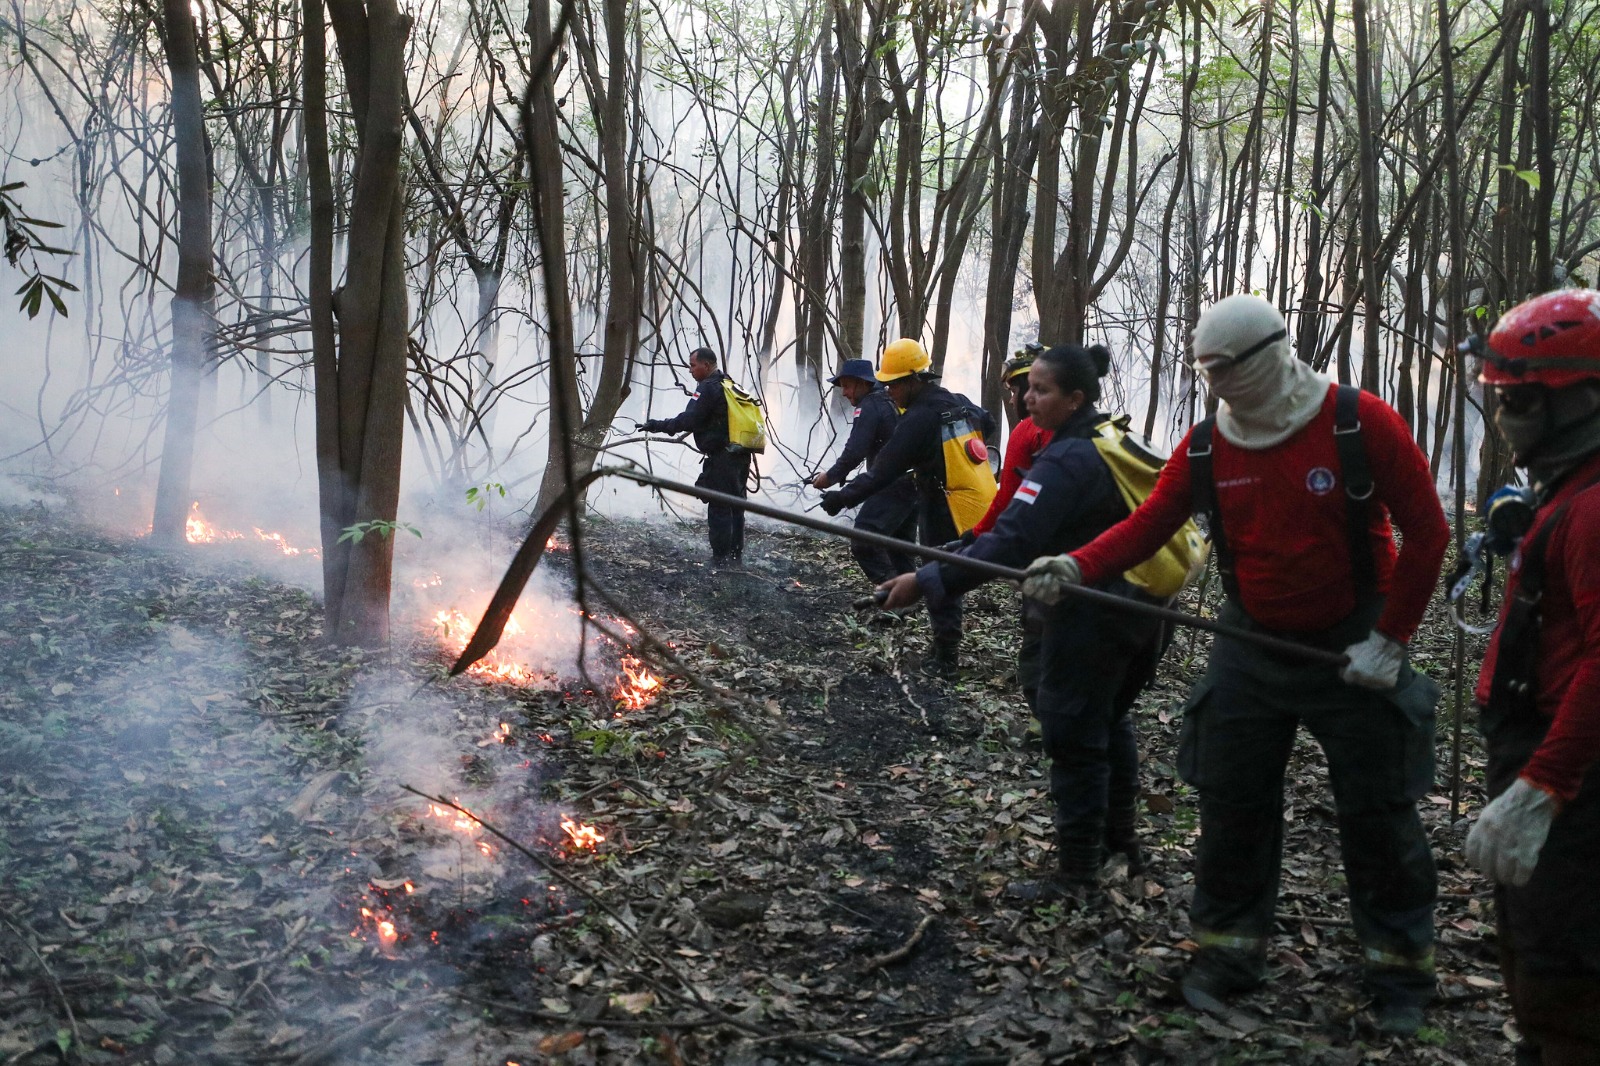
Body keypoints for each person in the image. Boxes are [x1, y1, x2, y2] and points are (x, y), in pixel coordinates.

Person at [1023, 295, 1449, 1034]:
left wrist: (1392, 639)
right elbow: (1149, 525)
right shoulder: (1207, 445)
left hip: (1353, 639)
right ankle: (1227, 952)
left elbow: (1429, 530)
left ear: (1269, 355)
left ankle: (1399, 970)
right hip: (1251, 639)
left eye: (1225, 369)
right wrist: (1076, 565)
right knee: (1231, 799)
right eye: (1205, 371)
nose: (1215, 384)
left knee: (1379, 809)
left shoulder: (1359, 421)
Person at [877, 342, 1166, 899]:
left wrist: (926, 580)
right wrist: (959, 549)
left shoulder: (1066, 459)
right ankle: (1121, 846)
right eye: (1026, 388)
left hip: (1094, 616)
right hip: (1139, 611)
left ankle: (1078, 876)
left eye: (1042, 390)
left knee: (1073, 733)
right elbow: (1014, 528)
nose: (1027, 399)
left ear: (1075, 398)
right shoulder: (1106, 439)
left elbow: (1012, 542)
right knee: (1108, 721)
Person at [1463, 288, 1600, 1064]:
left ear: (1581, 401)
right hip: (1544, 751)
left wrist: (1543, 786)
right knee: (1532, 943)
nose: (1506, 417)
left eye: (1519, 401)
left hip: (1573, 775)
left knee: (1564, 967)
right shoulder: (1570, 485)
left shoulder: (1594, 508)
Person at [821, 338, 996, 677]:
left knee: (939, 574)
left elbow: (883, 471)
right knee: (939, 571)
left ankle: (945, 660)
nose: (889, 392)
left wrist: (841, 497)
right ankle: (942, 647)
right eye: (886, 385)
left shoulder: (918, 418)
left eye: (895, 384)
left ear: (914, 380)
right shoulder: (959, 402)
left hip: (942, 505)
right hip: (969, 500)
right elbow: (987, 423)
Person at [972, 344, 1053, 709]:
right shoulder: (1096, 430)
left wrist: (973, 538)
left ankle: (1040, 722)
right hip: (1108, 567)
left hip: (1051, 560)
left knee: (1040, 636)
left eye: (1014, 390)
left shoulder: (1027, 430)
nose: (1014, 398)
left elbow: (1007, 501)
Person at [811, 359, 918, 585]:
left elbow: (855, 451)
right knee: (899, 549)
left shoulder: (869, 405)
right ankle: (907, 598)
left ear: (862, 383)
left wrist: (829, 478)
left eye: (847, 386)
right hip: (913, 484)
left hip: (892, 484)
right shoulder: (890, 400)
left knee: (864, 541)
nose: (844, 393)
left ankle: (892, 595)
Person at [641, 347, 751, 566]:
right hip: (740, 455)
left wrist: (656, 425)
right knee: (736, 505)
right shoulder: (728, 382)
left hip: (722, 458)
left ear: (706, 365)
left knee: (719, 505)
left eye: (693, 365)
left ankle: (720, 559)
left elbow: (689, 420)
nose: (690, 370)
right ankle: (735, 556)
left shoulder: (707, 388)